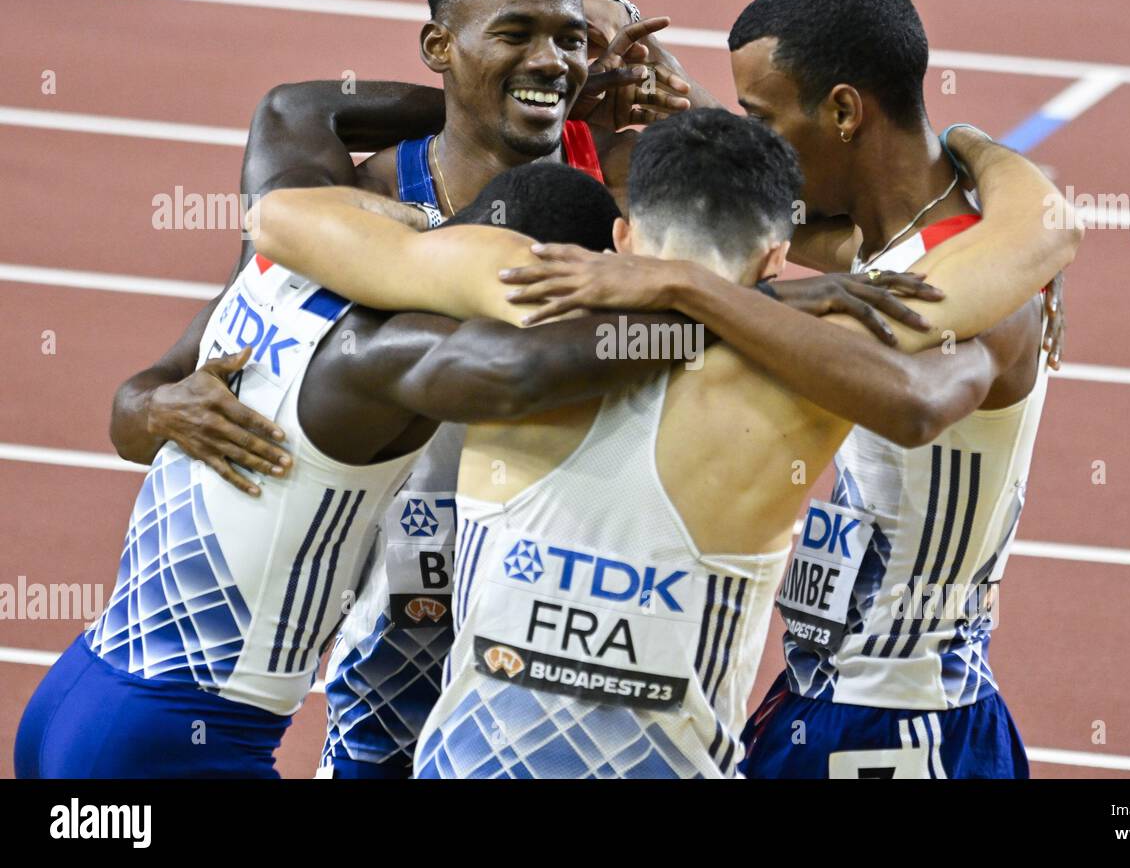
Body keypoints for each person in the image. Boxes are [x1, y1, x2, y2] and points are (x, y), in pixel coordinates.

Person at [249, 106, 1078, 777]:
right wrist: (971, 148)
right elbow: (1035, 239)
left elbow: (277, 216)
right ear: (777, 258)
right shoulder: (813, 373)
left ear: (619, 240)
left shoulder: (517, 292)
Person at [504, 0, 1077, 778]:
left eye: (761, 117)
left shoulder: (985, 280)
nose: (754, 138)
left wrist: (684, 287)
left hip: (904, 722)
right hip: (825, 691)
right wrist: (669, 114)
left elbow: (912, 406)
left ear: (843, 111)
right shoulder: (883, 245)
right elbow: (756, 222)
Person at [14, 162, 712, 778]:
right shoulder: (384, 355)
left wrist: (421, 219)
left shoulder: (281, 273)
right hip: (179, 734)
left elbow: (297, 122)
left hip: (79, 686)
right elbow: (526, 371)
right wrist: (718, 307)